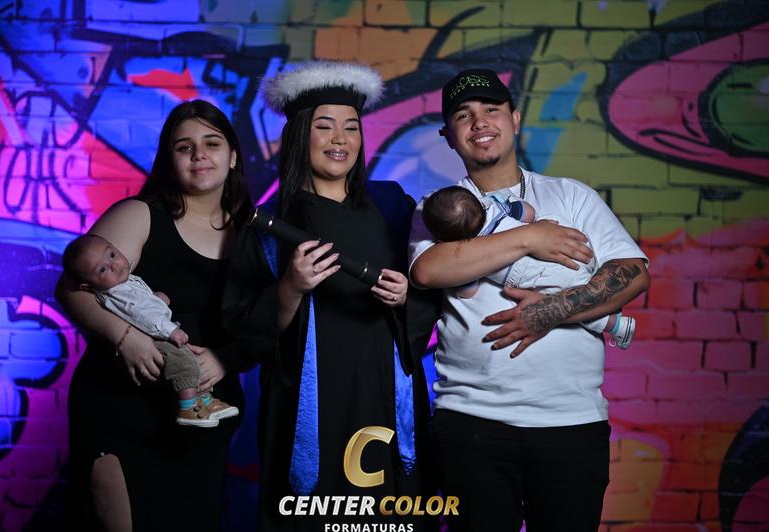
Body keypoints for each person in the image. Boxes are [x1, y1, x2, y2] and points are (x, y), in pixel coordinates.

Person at [409, 69, 650, 531]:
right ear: (448, 136)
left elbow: (632, 274)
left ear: (515, 119)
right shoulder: (437, 208)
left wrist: (548, 312)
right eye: (464, 116)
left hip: (571, 420)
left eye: (491, 110)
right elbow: (428, 270)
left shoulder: (570, 196)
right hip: (472, 418)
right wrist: (529, 238)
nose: (480, 123)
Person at [222, 61, 435, 531]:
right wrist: (290, 288)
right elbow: (244, 336)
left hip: (386, 396)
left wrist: (409, 294)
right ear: (300, 134)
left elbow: (433, 294)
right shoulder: (268, 226)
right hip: (310, 410)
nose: (340, 139)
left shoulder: (393, 206)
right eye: (324, 126)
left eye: (351, 127)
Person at [56, 100, 252, 531]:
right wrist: (125, 337)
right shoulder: (141, 214)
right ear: (169, 159)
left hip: (203, 415)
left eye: (212, 143)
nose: (199, 155)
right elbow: (72, 289)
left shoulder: (253, 234)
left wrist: (223, 361)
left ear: (233, 156)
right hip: (123, 408)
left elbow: (263, 327)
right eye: (184, 147)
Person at [422, 185, 636, 348]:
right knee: (577, 288)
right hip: (572, 250)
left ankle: (615, 325)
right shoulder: (495, 204)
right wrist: (530, 227)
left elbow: (466, 291)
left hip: (537, 272)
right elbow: (529, 213)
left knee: (565, 302)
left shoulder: (467, 257)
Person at [62, 233, 240, 427]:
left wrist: (156, 297)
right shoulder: (117, 293)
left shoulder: (124, 282)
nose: (114, 265)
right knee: (183, 363)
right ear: (88, 286)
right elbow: (141, 315)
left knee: (193, 361)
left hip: (158, 331)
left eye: (112, 254)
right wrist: (171, 331)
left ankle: (204, 400)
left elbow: (142, 302)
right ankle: (188, 407)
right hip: (153, 337)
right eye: (102, 269)